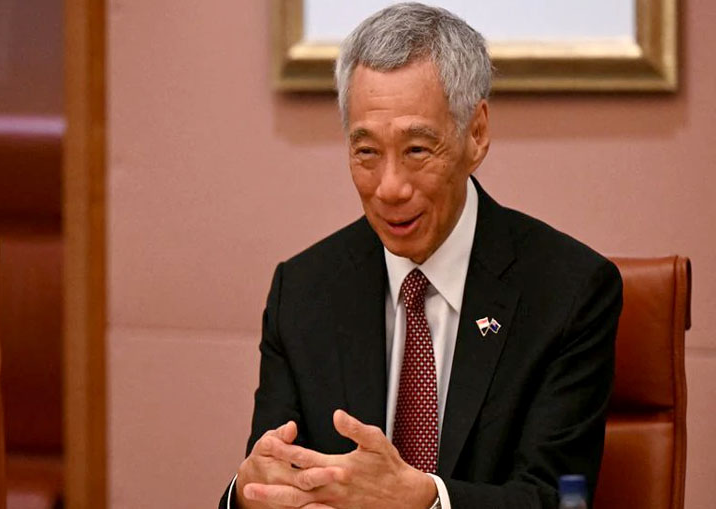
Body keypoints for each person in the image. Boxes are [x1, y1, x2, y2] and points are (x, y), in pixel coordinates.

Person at [219, 3, 622, 508]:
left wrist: (427, 500)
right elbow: (268, 473)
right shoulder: (303, 291)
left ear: (475, 134)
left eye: (416, 150)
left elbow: (555, 498)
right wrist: (247, 494)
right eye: (366, 152)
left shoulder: (568, 291)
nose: (389, 188)